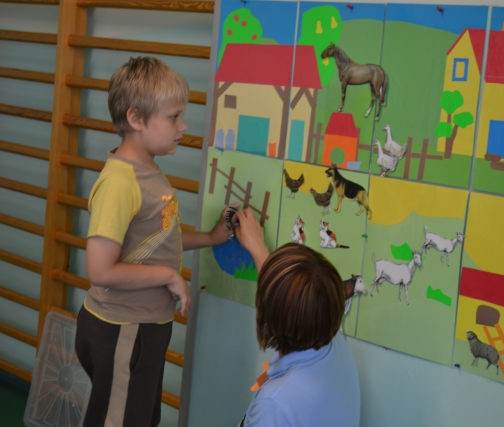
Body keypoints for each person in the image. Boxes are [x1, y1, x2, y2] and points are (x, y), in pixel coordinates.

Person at [75, 56, 236, 427]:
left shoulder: (147, 171)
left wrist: (210, 238)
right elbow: (100, 270)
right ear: (136, 119)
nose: (183, 126)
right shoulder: (120, 183)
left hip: (144, 329)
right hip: (122, 329)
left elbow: (159, 240)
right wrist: (169, 276)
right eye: (174, 117)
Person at [232, 211, 361, 427]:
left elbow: (286, 303)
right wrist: (258, 249)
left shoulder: (274, 404)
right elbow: (293, 303)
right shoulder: (334, 345)